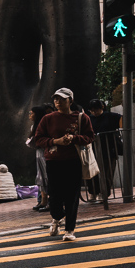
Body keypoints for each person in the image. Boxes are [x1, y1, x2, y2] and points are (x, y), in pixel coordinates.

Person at [33, 87, 95, 241]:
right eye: (55, 99)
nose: (57, 102)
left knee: (72, 197)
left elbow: (89, 137)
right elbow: (38, 139)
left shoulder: (82, 118)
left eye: (61, 99)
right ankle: (57, 217)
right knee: (54, 195)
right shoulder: (48, 119)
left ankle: (70, 230)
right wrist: (56, 141)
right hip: (53, 161)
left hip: (74, 161)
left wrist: (74, 139)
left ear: (70, 100)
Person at [87, 98, 123, 198]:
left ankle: (104, 194)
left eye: (96, 110)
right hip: (93, 150)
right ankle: (93, 192)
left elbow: (123, 120)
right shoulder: (89, 119)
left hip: (108, 150)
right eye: (92, 110)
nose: (94, 112)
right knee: (92, 173)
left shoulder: (110, 116)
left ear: (102, 107)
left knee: (107, 173)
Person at [27, 104, 51, 211]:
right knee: (41, 177)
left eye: (31, 113)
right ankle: (43, 201)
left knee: (47, 177)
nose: (30, 115)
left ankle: (50, 201)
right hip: (39, 153)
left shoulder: (45, 125)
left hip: (45, 153)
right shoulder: (34, 126)